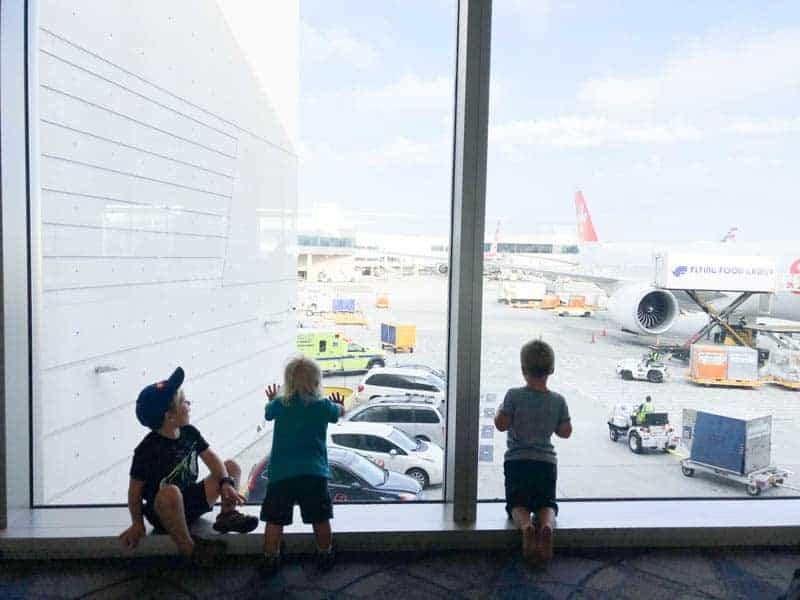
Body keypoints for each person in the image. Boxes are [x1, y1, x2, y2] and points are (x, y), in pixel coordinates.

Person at [118, 367, 259, 565]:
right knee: (171, 493)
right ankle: (189, 549)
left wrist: (226, 483)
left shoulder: (189, 433)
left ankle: (227, 515)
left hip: (191, 501)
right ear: (170, 416)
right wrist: (137, 524)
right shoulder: (146, 450)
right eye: (184, 402)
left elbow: (212, 459)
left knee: (231, 466)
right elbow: (134, 492)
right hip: (165, 513)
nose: (189, 404)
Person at [260, 356, 345, 576]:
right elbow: (338, 415)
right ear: (317, 383)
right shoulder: (323, 405)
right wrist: (340, 406)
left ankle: (270, 556)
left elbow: (268, 414)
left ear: (287, 382)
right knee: (320, 518)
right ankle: (325, 552)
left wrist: (272, 398)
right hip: (313, 473)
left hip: (281, 475)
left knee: (275, 520)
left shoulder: (281, 404)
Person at [494, 339, 572, 565]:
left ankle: (526, 526)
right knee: (546, 503)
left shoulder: (513, 395)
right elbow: (565, 432)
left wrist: (500, 411)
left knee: (517, 504)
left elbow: (501, 424)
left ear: (523, 370)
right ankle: (546, 526)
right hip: (546, 463)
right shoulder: (558, 400)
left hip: (517, 461)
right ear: (551, 370)